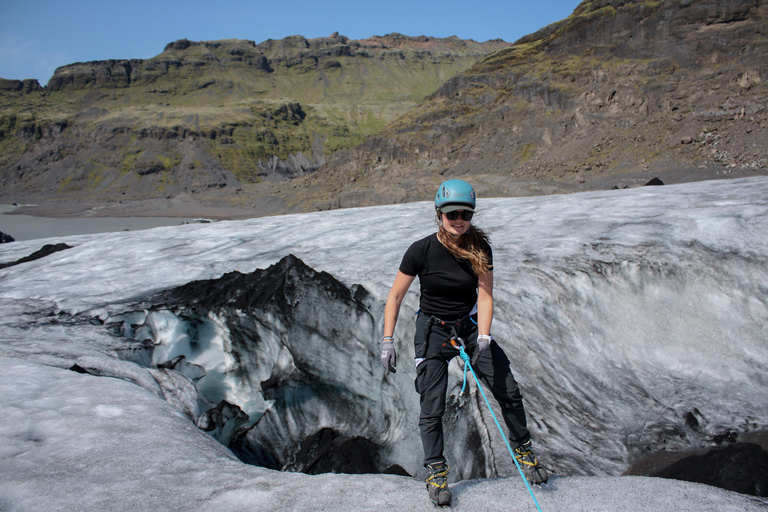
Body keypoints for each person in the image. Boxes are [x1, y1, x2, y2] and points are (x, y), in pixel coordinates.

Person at [380, 179, 547, 506]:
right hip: (433, 330)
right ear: (439, 214)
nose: (459, 219)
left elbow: (485, 296)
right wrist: (388, 340)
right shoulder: (420, 250)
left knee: (509, 390)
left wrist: (483, 335)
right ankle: (436, 471)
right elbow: (396, 296)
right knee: (432, 404)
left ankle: (523, 450)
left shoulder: (480, 249)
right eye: (452, 213)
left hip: (469, 327)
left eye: (465, 214)